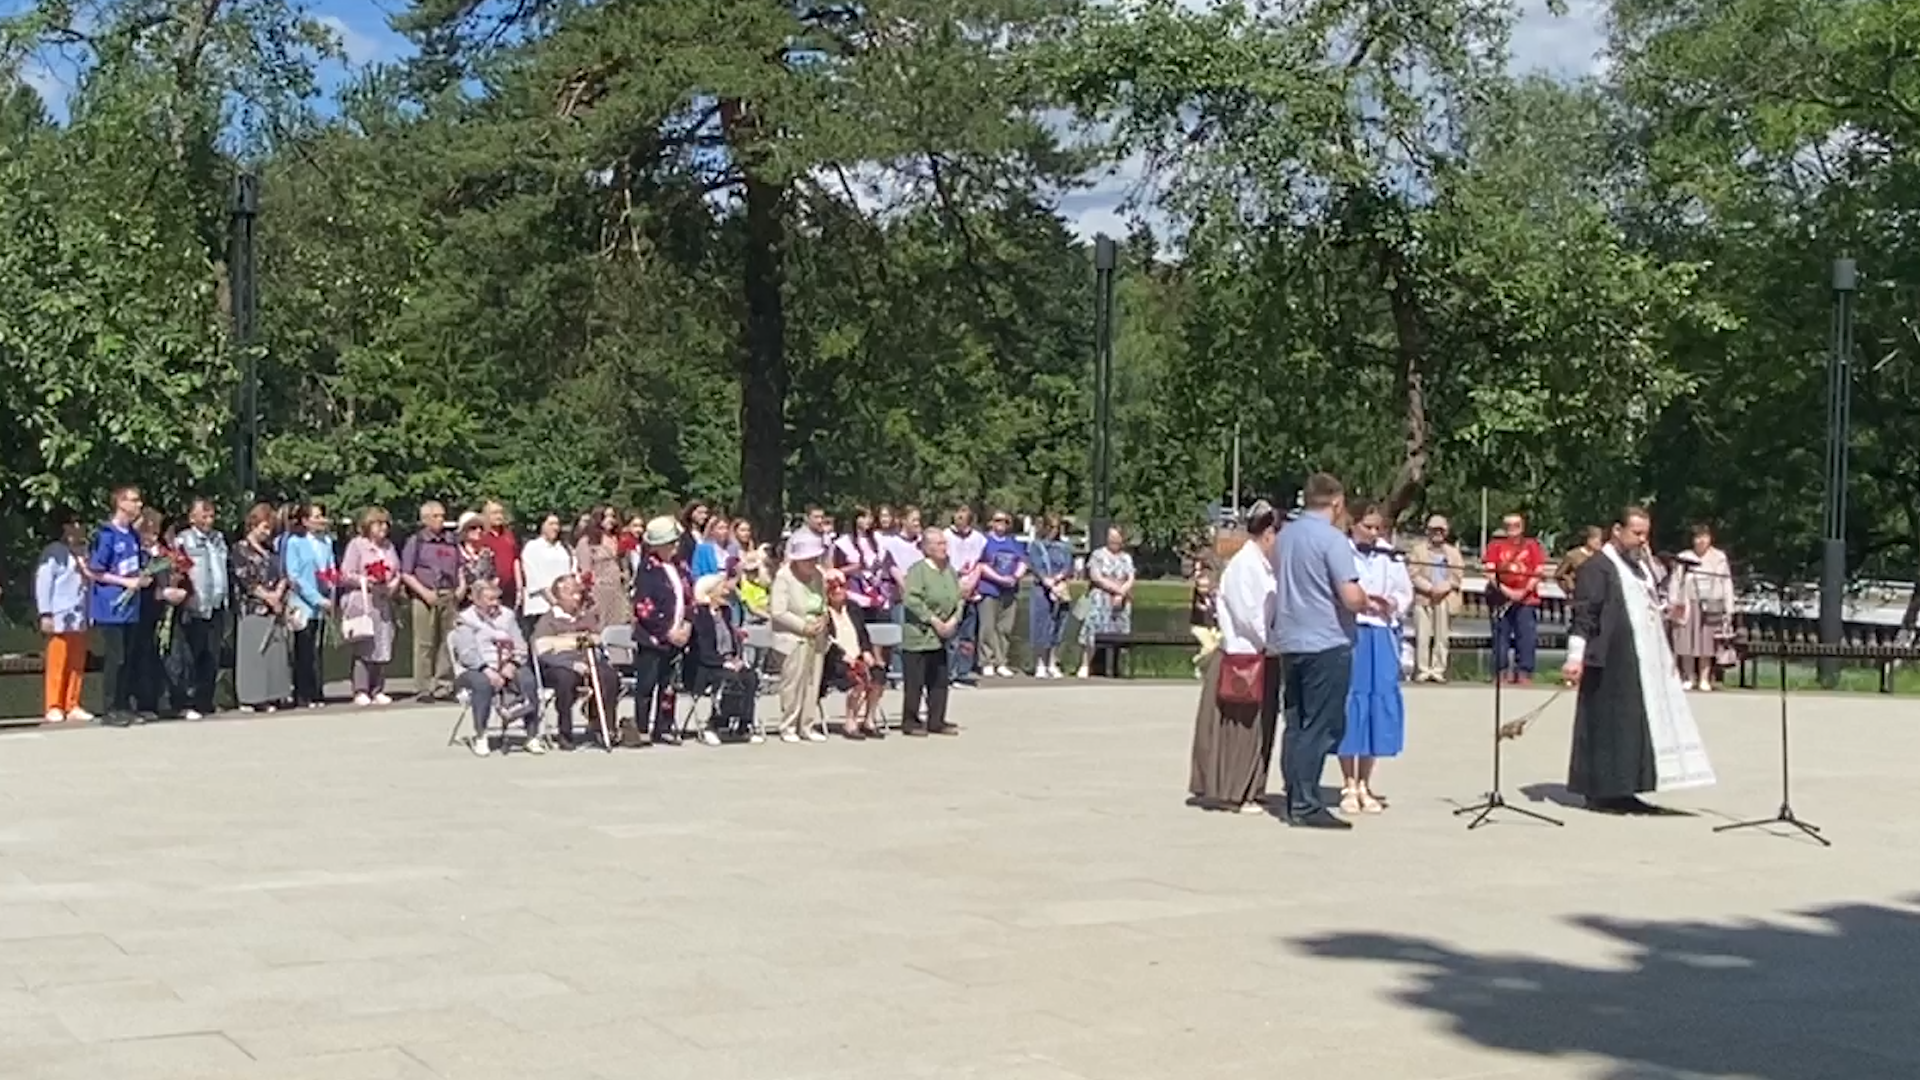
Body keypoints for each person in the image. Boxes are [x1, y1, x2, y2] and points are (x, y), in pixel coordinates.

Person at [1563, 506, 1717, 813]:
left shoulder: (1639, 567)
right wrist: (1575, 657)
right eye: (1636, 533)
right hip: (1609, 658)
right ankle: (1601, 791)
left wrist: (1666, 612)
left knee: (1633, 724)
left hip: (1640, 659)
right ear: (1617, 531)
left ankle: (1625, 787)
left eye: (1646, 533)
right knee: (1608, 723)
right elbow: (1585, 615)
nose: (1642, 540)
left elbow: (1642, 605)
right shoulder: (1598, 568)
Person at [1272, 472, 1373, 830]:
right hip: (1326, 641)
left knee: (1297, 722)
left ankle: (1294, 794)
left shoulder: (1284, 537)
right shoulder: (1332, 540)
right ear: (1337, 502)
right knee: (1323, 725)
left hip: (1290, 639)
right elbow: (1349, 596)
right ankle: (1306, 803)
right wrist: (1365, 600)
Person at [1188, 500, 1280, 813]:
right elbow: (1249, 617)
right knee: (1240, 727)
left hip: (1260, 654)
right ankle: (1234, 789)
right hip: (1242, 656)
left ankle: (1253, 785)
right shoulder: (1245, 565)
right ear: (1268, 533)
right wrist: (1273, 642)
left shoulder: (1265, 566)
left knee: (1259, 724)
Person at [1338, 503, 1413, 814]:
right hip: (1353, 630)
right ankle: (1348, 782)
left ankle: (1366, 781)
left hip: (1381, 630)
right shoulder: (1341, 551)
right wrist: (1360, 601)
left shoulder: (1388, 553)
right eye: (1366, 526)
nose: (1372, 533)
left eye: (1376, 527)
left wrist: (1391, 602)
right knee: (1351, 701)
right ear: (1353, 525)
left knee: (1378, 702)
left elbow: (1404, 591)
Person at [452, 580, 545, 756]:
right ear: (476, 600)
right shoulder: (465, 620)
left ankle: (532, 736)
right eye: (490, 599)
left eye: (497, 599)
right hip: (475, 668)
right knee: (482, 684)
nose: (495, 603)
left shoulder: (507, 616)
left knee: (527, 679)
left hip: (506, 664)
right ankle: (481, 735)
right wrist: (487, 670)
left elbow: (521, 646)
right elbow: (466, 653)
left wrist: (513, 664)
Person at [530, 575, 619, 750]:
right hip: (558, 666)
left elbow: (596, 641)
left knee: (609, 677)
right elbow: (541, 651)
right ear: (559, 596)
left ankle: (604, 726)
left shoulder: (585, 617)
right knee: (565, 679)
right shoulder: (548, 620)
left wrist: (591, 656)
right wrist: (571, 664)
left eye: (578, 593)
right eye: (571, 594)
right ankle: (565, 733)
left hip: (587, 664)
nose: (577, 598)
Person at [628, 515, 694, 746]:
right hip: (653, 639)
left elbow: (688, 597)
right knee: (647, 684)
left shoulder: (681, 566)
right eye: (671, 543)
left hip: (678, 637)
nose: (676, 546)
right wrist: (667, 632)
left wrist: (686, 624)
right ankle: (642, 727)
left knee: (669, 686)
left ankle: (664, 726)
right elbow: (643, 608)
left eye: (676, 542)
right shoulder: (647, 569)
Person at [88, 486, 148, 723]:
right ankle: (110, 708)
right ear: (121, 504)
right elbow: (96, 571)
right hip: (111, 607)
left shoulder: (132, 534)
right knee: (116, 658)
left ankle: (124, 705)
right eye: (134, 500)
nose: (139, 505)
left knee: (129, 658)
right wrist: (125, 582)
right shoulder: (106, 534)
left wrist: (143, 577)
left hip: (131, 608)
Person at [231, 503, 293, 713]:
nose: (267, 533)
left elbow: (283, 574)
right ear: (253, 524)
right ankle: (251, 697)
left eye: (270, 528)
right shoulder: (240, 549)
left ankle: (273, 695)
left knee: (274, 653)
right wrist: (267, 597)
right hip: (252, 607)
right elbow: (244, 578)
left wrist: (278, 593)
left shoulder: (271, 550)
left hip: (273, 608)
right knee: (254, 654)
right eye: (264, 527)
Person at [770, 529, 831, 742]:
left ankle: (807, 725)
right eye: (807, 559)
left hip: (817, 636)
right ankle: (788, 726)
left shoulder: (819, 576)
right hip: (792, 637)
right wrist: (803, 626)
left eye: (814, 558)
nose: (811, 562)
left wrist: (823, 618)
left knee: (813, 683)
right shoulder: (783, 577)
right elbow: (778, 611)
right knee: (793, 683)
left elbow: (824, 602)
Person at [171, 497, 229, 719]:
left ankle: (205, 700)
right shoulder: (183, 540)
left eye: (211, 515)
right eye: (203, 515)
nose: (209, 520)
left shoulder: (218, 539)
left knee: (211, 655)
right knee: (189, 656)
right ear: (192, 517)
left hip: (215, 604)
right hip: (195, 605)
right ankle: (186, 701)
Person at [687, 572, 761, 746]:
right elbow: (703, 650)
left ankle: (744, 725)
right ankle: (715, 724)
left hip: (728, 661)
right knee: (728, 679)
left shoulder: (726, 612)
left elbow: (731, 641)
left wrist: (737, 658)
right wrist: (723, 662)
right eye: (722, 588)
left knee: (750, 677)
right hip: (707, 666)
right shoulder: (700, 615)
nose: (726, 591)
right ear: (710, 593)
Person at [901, 529, 963, 736]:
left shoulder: (949, 570)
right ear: (927, 548)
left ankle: (937, 720)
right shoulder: (917, 571)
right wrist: (934, 621)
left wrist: (953, 620)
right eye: (938, 543)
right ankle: (910, 721)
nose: (944, 547)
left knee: (939, 680)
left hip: (942, 636)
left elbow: (959, 597)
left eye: (945, 543)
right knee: (915, 682)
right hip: (919, 635)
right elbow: (912, 600)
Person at [34, 509, 93, 724]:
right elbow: (44, 583)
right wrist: (45, 613)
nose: (79, 527)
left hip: (80, 615)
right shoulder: (54, 551)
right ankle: (54, 705)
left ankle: (73, 703)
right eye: (74, 523)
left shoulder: (85, 551)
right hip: (59, 614)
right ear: (65, 527)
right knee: (58, 661)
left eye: (81, 522)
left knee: (77, 662)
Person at [400, 501, 462, 702]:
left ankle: (443, 685)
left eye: (442, 516)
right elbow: (406, 573)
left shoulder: (451, 541)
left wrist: (461, 587)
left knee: (447, 641)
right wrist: (424, 592)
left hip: (449, 593)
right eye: (435, 516)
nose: (440, 520)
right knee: (424, 643)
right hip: (424, 595)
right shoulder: (416, 541)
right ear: (425, 519)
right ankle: (423, 687)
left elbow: (460, 566)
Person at [340, 507, 401, 707]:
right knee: (364, 645)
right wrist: (366, 580)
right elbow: (346, 573)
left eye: (385, 523)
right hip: (363, 601)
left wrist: (392, 584)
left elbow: (397, 571)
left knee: (383, 645)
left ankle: (378, 688)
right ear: (368, 525)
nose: (383, 527)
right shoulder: (357, 545)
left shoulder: (389, 547)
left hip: (383, 601)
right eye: (378, 523)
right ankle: (361, 689)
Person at [131, 510, 188, 719]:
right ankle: (144, 703)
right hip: (143, 612)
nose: (153, 535)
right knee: (143, 657)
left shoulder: (163, 553)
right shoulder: (137, 553)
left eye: (155, 531)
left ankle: (169, 701)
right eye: (148, 530)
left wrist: (175, 584)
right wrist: (162, 592)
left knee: (171, 655)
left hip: (163, 611)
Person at [282, 503, 336, 709]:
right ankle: (302, 692)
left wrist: (331, 586)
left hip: (322, 602)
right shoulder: (295, 542)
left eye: (322, 516)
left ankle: (316, 690)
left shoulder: (327, 542)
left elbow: (330, 568)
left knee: (317, 648)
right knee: (303, 648)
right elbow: (294, 576)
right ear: (305, 521)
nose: (320, 520)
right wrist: (315, 598)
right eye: (316, 516)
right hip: (302, 603)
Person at [1483, 512, 1547, 683]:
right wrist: (1505, 591)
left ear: (1522, 527)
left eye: (1516, 525)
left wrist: (1524, 591)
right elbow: (1489, 572)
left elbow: (1538, 571)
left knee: (1526, 636)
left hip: (1527, 598)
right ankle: (1500, 671)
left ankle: (1524, 672)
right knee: (1500, 637)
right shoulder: (1495, 546)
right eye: (1508, 526)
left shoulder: (1532, 545)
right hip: (1501, 598)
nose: (1512, 529)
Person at [1671, 524, 1735, 691]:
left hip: (1711, 605)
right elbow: (1675, 582)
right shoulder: (1684, 557)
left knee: (1706, 644)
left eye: (1704, 537)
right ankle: (1688, 676)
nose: (1701, 540)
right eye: (1698, 537)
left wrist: (1729, 607)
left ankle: (1704, 678)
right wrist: (1673, 602)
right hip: (1687, 603)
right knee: (1686, 642)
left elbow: (1726, 582)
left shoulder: (1719, 557)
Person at [821, 570, 884, 739]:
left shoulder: (853, 608)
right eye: (833, 588)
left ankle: (869, 720)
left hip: (858, 655)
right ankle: (850, 722)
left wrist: (867, 651)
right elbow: (826, 640)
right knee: (856, 679)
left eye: (841, 587)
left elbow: (863, 635)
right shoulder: (823, 612)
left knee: (878, 674)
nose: (838, 591)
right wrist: (843, 656)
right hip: (834, 659)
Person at [1407, 514, 1464, 683]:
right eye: (1434, 530)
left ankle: (1438, 669)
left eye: (1441, 530)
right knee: (1422, 636)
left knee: (1442, 637)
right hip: (1423, 597)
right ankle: (1423, 670)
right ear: (1428, 531)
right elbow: (1413, 574)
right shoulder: (1418, 550)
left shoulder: (1453, 552)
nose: (1437, 533)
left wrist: (1444, 587)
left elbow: (1457, 575)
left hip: (1445, 599)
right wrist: (1430, 588)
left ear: (1446, 532)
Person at [1076, 526, 1136, 678]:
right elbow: (1096, 577)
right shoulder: (1098, 555)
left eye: (1116, 538)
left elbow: (1130, 577)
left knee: (1119, 632)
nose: (1113, 541)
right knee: (1092, 630)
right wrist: (1116, 590)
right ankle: (1085, 665)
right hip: (1100, 598)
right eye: (1111, 538)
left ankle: (1115, 667)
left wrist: (1122, 593)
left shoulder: (1126, 557)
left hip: (1120, 600)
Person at [974, 510, 1027, 678]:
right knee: (987, 627)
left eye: (1005, 521)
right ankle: (986, 661)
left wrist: (1016, 576)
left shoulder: (1014, 543)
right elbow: (980, 565)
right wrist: (999, 578)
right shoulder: (984, 542)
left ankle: (1001, 661)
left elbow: (1023, 561)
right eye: (997, 520)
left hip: (1010, 591)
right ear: (991, 522)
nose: (1001, 523)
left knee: (1005, 628)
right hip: (990, 589)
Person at [1026, 514, 1074, 679]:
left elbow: (1068, 566)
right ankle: (1040, 663)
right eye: (1052, 527)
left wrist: (1059, 578)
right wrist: (1048, 581)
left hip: (1060, 588)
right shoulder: (1036, 546)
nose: (1055, 531)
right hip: (1042, 590)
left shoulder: (1065, 546)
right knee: (1041, 626)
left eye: (1057, 527)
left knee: (1058, 627)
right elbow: (1036, 566)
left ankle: (1053, 662)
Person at [943, 505, 987, 685]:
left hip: (971, 589)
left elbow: (980, 563)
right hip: (952, 587)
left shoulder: (978, 539)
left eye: (964, 517)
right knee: (951, 635)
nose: (960, 520)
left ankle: (963, 671)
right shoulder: (946, 536)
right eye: (957, 517)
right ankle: (948, 673)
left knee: (967, 635)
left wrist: (971, 583)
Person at [519, 512, 576, 636]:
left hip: (564, 606)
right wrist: (555, 602)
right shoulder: (532, 547)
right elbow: (536, 579)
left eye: (557, 524)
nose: (555, 528)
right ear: (542, 526)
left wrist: (567, 603)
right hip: (541, 606)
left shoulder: (562, 548)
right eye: (551, 524)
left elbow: (569, 573)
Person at [477, 500, 520, 606]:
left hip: (510, 589)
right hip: (489, 589)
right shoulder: (481, 536)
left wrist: (519, 587)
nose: (499, 516)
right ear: (486, 516)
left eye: (501, 513)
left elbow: (516, 560)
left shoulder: (509, 535)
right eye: (495, 513)